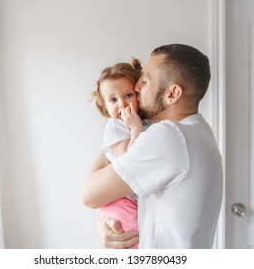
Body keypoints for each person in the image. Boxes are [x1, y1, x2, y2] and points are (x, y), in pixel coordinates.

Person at [82, 44, 223, 249]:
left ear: (172, 94)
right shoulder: (198, 131)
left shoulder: (169, 137)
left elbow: (89, 195)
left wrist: (113, 139)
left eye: (145, 80)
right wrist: (106, 223)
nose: (136, 87)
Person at [90, 58, 145, 248]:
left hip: (129, 201)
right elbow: (129, 163)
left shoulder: (136, 122)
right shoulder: (116, 126)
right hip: (120, 203)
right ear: (105, 106)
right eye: (113, 99)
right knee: (133, 241)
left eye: (128, 95)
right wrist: (136, 128)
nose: (122, 104)